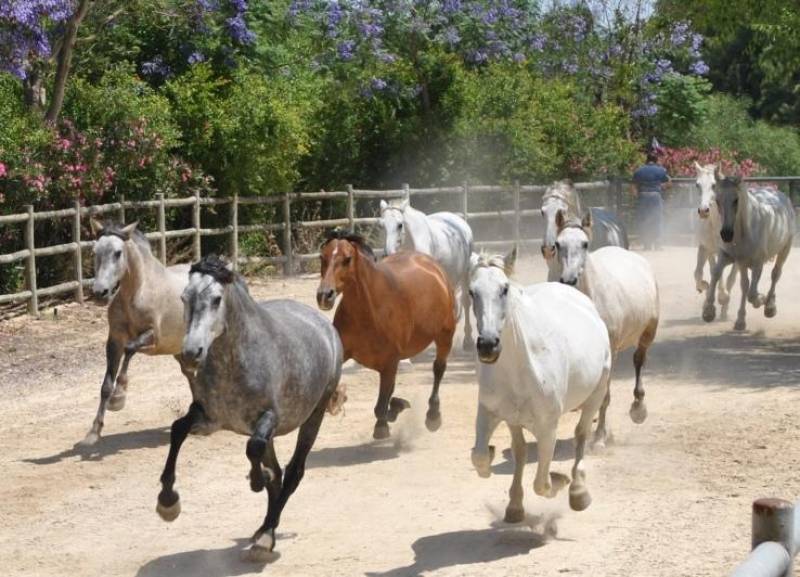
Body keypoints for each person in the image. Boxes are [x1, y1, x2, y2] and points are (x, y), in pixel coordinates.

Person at [631, 147, 671, 250]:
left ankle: (646, 244)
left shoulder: (639, 171)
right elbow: (669, 183)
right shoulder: (661, 170)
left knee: (644, 220)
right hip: (655, 196)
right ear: (656, 160)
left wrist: (637, 197)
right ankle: (657, 244)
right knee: (657, 219)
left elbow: (633, 187)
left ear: (646, 160)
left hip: (643, 196)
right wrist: (662, 187)